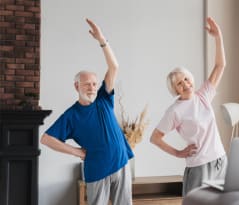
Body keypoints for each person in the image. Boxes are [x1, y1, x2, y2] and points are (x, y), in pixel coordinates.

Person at [40, 18, 134, 205]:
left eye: (94, 83)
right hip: (97, 169)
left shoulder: (104, 99)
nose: (91, 87)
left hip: (121, 163)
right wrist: (76, 152)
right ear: (77, 86)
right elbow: (46, 139)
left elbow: (114, 67)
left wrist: (102, 40)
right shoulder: (71, 115)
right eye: (86, 84)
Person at [150, 17, 227, 196]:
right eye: (179, 83)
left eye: (186, 79)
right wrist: (178, 153)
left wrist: (218, 37)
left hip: (221, 161)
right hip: (199, 166)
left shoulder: (204, 96)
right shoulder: (175, 110)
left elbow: (220, 65)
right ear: (175, 89)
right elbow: (155, 138)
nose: (185, 84)